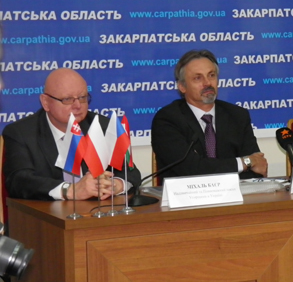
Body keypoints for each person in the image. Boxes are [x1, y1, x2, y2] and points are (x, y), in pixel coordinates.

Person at [2, 68, 142, 201]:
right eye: (67, 99)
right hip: (46, 214)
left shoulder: (102, 126)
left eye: (82, 97)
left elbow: (130, 172)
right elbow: (19, 181)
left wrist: (115, 184)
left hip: (96, 213)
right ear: (46, 102)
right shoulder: (21, 133)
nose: (78, 106)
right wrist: (70, 190)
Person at [151, 49, 267, 183]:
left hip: (234, 193)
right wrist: (244, 162)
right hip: (186, 194)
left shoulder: (237, 115)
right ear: (182, 87)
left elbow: (257, 168)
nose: (207, 83)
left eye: (211, 75)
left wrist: (247, 165)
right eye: (198, 78)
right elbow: (189, 169)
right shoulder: (167, 120)